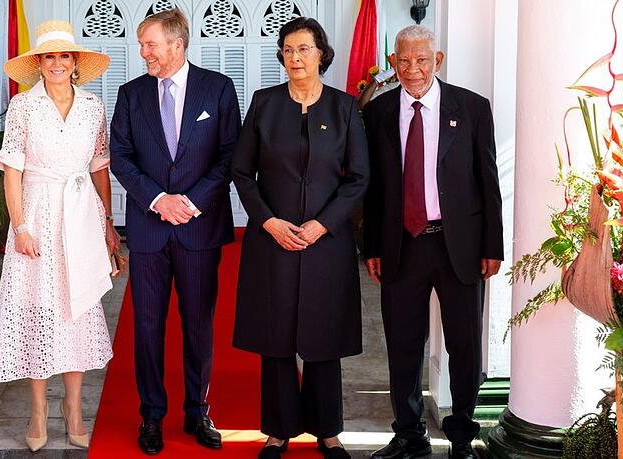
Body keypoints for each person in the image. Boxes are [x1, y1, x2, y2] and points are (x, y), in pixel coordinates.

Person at [231, 17, 370, 459]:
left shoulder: (344, 108)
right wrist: (269, 221)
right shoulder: (264, 103)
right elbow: (241, 172)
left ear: (321, 55)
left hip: (325, 241)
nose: (295, 58)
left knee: (323, 333)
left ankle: (327, 432)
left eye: (304, 49)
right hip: (272, 239)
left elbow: (359, 178)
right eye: (288, 50)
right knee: (275, 335)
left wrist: (322, 224)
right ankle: (277, 430)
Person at [362, 25, 503, 459]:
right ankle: (409, 435)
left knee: (464, 345)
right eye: (404, 61)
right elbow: (372, 188)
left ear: (437, 61)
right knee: (403, 343)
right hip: (401, 243)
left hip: (458, 244)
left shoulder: (472, 108)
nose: (413, 69)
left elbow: (488, 179)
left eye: (422, 60)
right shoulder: (377, 112)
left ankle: (461, 435)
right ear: (393, 63)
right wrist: (371, 247)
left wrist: (492, 246)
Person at [109, 8, 241, 455]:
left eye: (150, 44)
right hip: (148, 230)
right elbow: (121, 156)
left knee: (199, 327)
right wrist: (157, 200)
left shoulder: (218, 88)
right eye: (142, 45)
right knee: (146, 328)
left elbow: (229, 155)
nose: (143, 52)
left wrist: (191, 202)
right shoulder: (131, 94)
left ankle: (197, 410)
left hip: (199, 229)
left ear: (177, 43)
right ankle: (152, 416)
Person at [0, 20, 120, 452]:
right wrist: (19, 226)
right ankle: (40, 410)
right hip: (37, 214)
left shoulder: (94, 105)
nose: (57, 63)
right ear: (38, 63)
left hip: (81, 214)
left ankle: (75, 408)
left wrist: (107, 223)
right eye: (49, 56)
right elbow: (12, 171)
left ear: (75, 63)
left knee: (77, 309)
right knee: (39, 312)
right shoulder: (24, 107)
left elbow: (100, 167)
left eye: (65, 56)